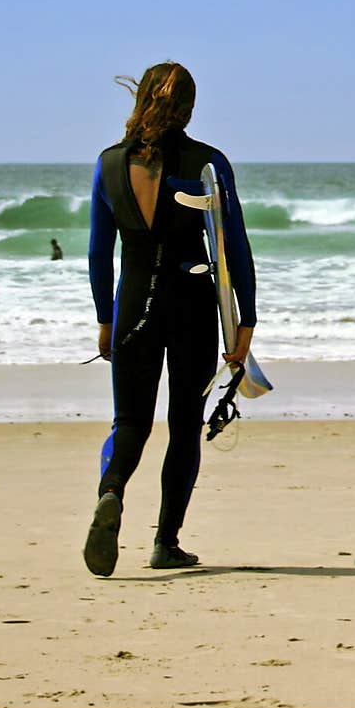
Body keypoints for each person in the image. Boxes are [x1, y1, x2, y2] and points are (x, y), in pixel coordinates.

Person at [83, 61, 256, 576]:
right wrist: (246, 320)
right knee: (184, 426)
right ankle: (166, 542)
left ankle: (110, 493)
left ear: (139, 102)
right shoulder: (209, 162)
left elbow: (98, 252)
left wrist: (105, 319)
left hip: (133, 303)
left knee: (130, 422)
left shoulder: (109, 164)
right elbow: (234, 245)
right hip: (192, 306)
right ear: (189, 108)